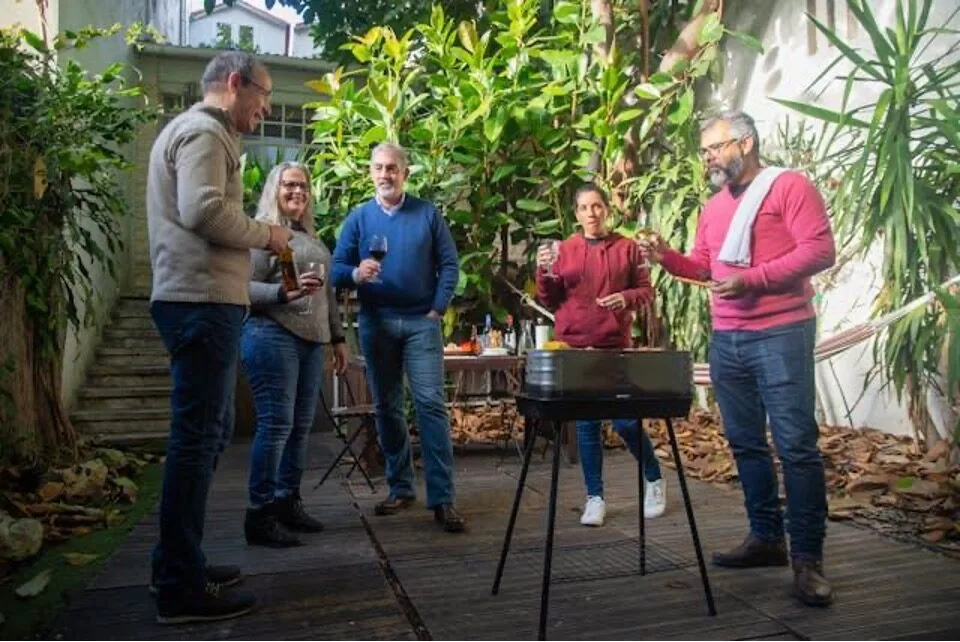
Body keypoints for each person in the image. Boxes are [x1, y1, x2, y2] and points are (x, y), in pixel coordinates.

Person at [638, 110, 837, 606]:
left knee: (795, 446)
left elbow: (820, 250)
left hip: (782, 332)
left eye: (714, 147)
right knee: (746, 442)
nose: (707, 157)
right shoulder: (713, 207)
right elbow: (705, 267)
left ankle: (807, 559)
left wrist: (753, 279)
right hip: (727, 336)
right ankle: (766, 538)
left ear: (745, 143)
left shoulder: (789, 187)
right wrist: (666, 256)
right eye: (703, 150)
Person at [146, 50, 293, 624]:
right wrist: (269, 234)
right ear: (236, 84)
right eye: (263, 93)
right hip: (199, 304)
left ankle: (177, 563)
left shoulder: (189, 131)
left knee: (205, 437)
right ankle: (180, 587)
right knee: (196, 440)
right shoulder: (206, 132)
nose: (266, 107)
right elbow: (205, 212)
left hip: (199, 303)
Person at [331, 142, 465, 533]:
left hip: (422, 323)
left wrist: (437, 308)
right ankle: (401, 487)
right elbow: (336, 268)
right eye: (378, 167)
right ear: (370, 172)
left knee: (430, 405)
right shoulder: (359, 218)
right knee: (388, 408)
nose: (385, 174)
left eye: (392, 167)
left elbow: (450, 264)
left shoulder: (426, 213)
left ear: (405, 173)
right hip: (377, 324)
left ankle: (443, 499)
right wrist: (357, 274)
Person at [535, 183, 667, 527]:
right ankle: (595, 497)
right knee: (588, 424)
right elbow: (549, 298)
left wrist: (625, 298)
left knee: (625, 421)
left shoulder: (627, 248)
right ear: (575, 214)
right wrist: (542, 270)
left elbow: (646, 291)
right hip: (576, 348)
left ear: (607, 209)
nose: (591, 214)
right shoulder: (564, 249)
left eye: (597, 206)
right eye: (584, 208)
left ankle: (654, 479)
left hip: (614, 346)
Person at [241, 162, 350, 547]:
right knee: (276, 425)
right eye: (289, 184)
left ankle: (287, 501)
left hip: (310, 340)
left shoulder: (312, 238)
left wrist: (337, 338)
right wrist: (280, 294)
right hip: (272, 335)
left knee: (299, 427)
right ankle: (260, 513)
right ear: (274, 188)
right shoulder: (261, 234)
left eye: (303, 185)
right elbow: (241, 289)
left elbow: (328, 295)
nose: (297, 191)